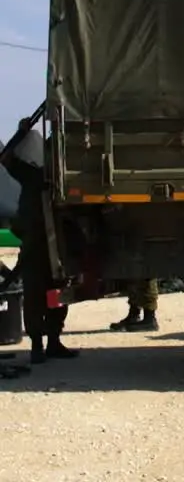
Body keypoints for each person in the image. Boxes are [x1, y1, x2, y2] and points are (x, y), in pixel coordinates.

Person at [3, 123, 78, 364]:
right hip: (35, 242)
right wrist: (21, 133)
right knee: (36, 294)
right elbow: (5, 158)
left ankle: (54, 341)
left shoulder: (65, 178)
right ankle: (37, 345)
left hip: (58, 243)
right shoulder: (31, 174)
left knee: (57, 294)